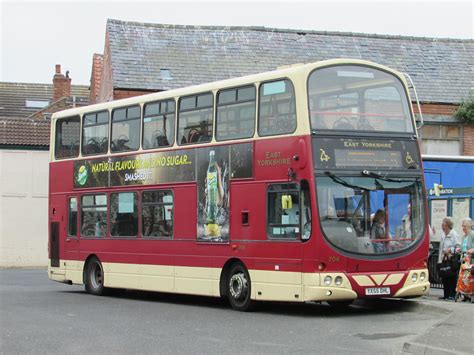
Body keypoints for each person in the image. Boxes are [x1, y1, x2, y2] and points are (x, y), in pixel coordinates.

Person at [437, 217, 461, 300]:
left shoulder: (454, 234)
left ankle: (452, 295)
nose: (442, 225)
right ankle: (446, 295)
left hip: (451, 260)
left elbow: (458, 248)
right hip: (443, 259)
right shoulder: (443, 234)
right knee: (445, 276)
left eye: (443, 223)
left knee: (451, 277)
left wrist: (450, 250)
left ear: (447, 225)